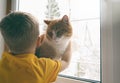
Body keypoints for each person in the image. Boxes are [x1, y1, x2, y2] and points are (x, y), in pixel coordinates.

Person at [0, 11, 71, 83]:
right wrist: (68, 40)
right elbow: (66, 62)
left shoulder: (2, 64)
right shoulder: (43, 66)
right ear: (38, 41)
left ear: (6, 43)